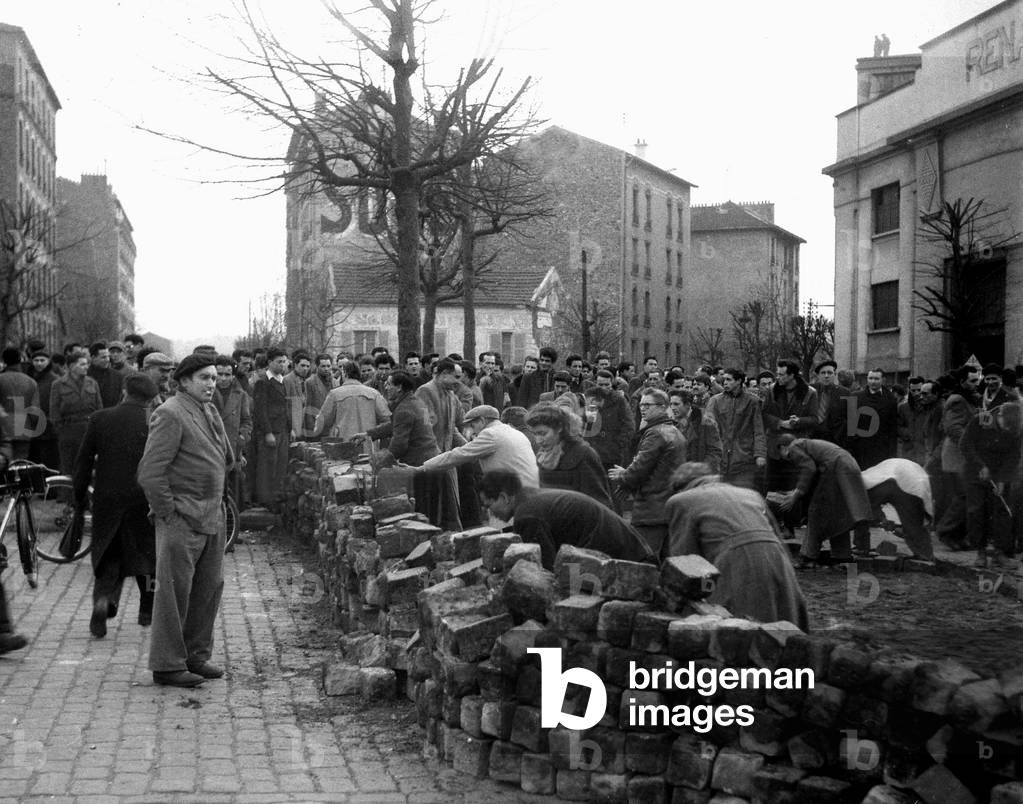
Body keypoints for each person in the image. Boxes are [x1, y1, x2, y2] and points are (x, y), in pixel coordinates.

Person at [137, 355, 234, 688]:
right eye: (204, 378)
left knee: (208, 588)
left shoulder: (208, 410)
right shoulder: (170, 413)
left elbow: (225, 458)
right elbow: (150, 472)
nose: (212, 383)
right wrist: (168, 512)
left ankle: (195, 655)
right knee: (173, 592)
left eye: (214, 377)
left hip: (212, 514)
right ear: (184, 381)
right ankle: (167, 665)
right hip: (182, 517)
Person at [665, 462, 808, 629]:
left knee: (736, 626)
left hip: (736, 561)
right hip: (776, 557)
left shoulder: (680, 500)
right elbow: (776, 535)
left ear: (680, 487)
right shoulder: (751, 494)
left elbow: (685, 560)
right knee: (782, 620)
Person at [74, 374, 160, 638]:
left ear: (124, 391)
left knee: (109, 554)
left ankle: (103, 600)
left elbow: (84, 460)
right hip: (143, 498)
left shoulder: (100, 418)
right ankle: (148, 610)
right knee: (149, 555)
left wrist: (78, 497)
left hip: (107, 498)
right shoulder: (155, 420)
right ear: (150, 397)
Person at [478, 470, 656, 569]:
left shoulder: (527, 514)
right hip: (631, 548)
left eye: (488, 506)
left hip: (626, 559)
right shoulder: (530, 498)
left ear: (504, 497)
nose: (489, 514)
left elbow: (545, 569)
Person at [358, 370, 459, 530]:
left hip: (419, 464)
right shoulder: (413, 402)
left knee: (424, 513)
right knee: (434, 509)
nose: (386, 386)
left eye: (389, 383)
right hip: (431, 460)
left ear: (399, 387)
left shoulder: (405, 408)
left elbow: (398, 446)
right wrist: (369, 434)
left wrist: (377, 465)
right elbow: (395, 426)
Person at [776, 434, 873, 568]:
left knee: (816, 512)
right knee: (838, 513)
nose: (785, 458)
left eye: (780, 452)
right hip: (848, 464)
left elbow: (809, 467)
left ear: (783, 447)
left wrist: (796, 494)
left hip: (835, 467)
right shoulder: (809, 444)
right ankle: (842, 557)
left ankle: (807, 557)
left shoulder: (794, 446)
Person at [608, 389, 686, 555]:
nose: (642, 409)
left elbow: (638, 470)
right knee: (667, 561)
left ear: (663, 407)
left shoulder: (655, 433)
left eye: (647, 405)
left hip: (651, 508)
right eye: (641, 405)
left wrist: (623, 475)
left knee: (642, 558)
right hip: (668, 506)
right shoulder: (674, 431)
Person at [960, 402, 1023, 569]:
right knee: (977, 511)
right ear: (999, 416)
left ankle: (999, 553)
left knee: (1002, 512)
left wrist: (1002, 480)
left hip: (1000, 473)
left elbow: (1013, 456)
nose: (1007, 431)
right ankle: (980, 552)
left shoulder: (1015, 428)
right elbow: (965, 444)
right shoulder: (980, 420)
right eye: (1006, 426)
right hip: (975, 473)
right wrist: (980, 465)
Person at [416, 404, 539, 486]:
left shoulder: (490, 434)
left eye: (473, 426)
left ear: (482, 421)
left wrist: (422, 468)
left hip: (513, 496)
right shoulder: (512, 431)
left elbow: (457, 455)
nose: (473, 431)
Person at [526, 403, 613, 508]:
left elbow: (600, 502)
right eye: (535, 434)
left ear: (559, 428)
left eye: (543, 433)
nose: (538, 440)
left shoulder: (583, 454)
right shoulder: (543, 455)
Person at [936, 365, 981, 550]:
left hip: (966, 454)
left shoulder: (970, 399)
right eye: (972, 381)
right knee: (964, 494)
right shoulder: (957, 400)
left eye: (977, 380)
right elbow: (954, 428)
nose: (976, 384)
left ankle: (958, 536)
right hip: (957, 455)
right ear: (962, 382)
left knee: (969, 495)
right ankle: (946, 532)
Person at [861, 458, 935, 561]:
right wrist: (883, 520)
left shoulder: (863, 483)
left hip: (903, 478)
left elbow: (867, 508)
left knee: (912, 524)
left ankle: (924, 558)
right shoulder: (867, 477)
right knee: (914, 524)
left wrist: (882, 520)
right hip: (913, 476)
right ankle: (925, 556)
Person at [704, 368, 766, 489]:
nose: (724, 382)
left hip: (743, 458)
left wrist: (760, 454)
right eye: (724, 380)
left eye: (729, 379)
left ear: (739, 381)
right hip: (720, 458)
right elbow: (708, 430)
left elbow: (758, 430)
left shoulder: (753, 401)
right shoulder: (715, 401)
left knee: (742, 496)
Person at [50, 349, 103, 475]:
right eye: (82, 364)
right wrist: (62, 432)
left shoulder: (92, 383)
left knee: (89, 469)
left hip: (89, 430)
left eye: (87, 364)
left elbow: (99, 408)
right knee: (69, 469)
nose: (86, 367)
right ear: (72, 366)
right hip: (68, 432)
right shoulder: (58, 385)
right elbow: (54, 412)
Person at [251, 347, 291, 511]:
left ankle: (277, 497)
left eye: (284, 361)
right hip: (270, 431)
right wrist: (267, 432)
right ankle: (266, 500)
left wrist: (290, 429)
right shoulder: (263, 382)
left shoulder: (282, 380)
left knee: (281, 465)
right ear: (269, 363)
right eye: (278, 362)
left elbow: (285, 406)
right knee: (268, 465)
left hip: (282, 430)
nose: (282, 365)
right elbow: (261, 409)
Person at [312, 360, 390, 441]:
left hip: (343, 443)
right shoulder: (374, 394)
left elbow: (322, 421)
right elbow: (387, 419)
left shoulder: (335, 394)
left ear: (344, 373)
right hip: (369, 442)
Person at [213, 356, 252, 515]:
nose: (223, 378)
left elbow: (246, 420)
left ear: (233, 376)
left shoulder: (240, 394)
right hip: (212, 447)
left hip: (232, 448)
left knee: (232, 491)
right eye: (219, 374)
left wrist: (242, 439)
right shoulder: (207, 393)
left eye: (227, 374)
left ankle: (231, 531)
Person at [847, 368, 898, 469]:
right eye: (870, 378)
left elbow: (892, 428)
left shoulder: (891, 399)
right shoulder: (855, 397)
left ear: (883, 380)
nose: (873, 382)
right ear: (867, 379)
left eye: (876, 379)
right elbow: (850, 427)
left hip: (881, 449)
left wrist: (892, 454)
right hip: (861, 448)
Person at [0, 347, 40, 460]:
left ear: (4, 361)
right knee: (20, 466)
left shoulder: (1, 379)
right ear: (20, 360)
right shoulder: (31, 382)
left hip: (3, 430)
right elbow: (35, 412)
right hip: (23, 429)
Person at [668, 389, 722, 472]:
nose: (672, 407)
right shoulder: (671, 423)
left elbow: (715, 452)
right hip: (678, 475)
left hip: (699, 475)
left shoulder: (706, 423)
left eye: (676, 404)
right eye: (671, 404)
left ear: (688, 405)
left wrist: (699, 471)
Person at [303, 354, 337, 437]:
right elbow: (308, 406)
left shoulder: (335, 381)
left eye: (328, 366)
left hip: (331, 425)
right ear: (317, 366)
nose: (326, 369)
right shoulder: (310, 382)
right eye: (323, 366)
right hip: (316, 424)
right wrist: (312, 429)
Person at [87, 341, 124, 408]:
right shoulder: (85, 375)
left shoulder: (117, 376)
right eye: (103, 357)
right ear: (93, 358)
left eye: (108, 357)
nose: (107, 360)